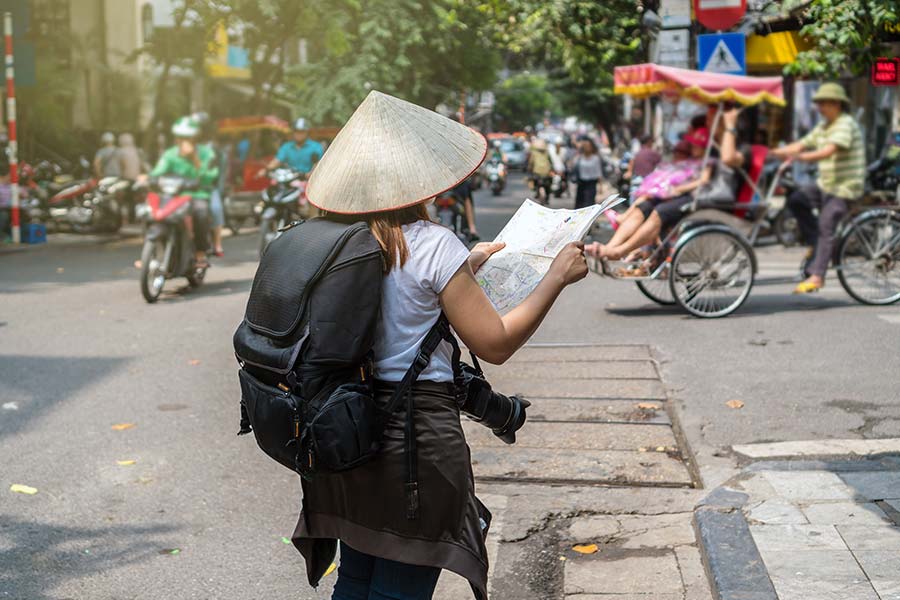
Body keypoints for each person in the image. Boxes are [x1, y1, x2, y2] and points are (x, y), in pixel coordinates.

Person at [293, 90, 588, 600]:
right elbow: (495, 344)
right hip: (413, 441)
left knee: (358, 577)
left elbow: (395, 296)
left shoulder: (334, 241)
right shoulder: (431, 244)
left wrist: (463, 267)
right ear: (419, 179)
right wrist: (556, 278)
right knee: (400, 587)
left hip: (344, 429)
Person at [588, 107, 751, 268]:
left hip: (710, 199)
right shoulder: (711, 145)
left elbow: (727, 159)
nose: (709, 123)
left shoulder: (739, 149)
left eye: (713, 119)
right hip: (692, 194)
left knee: (660, 212)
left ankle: (619, 251)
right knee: (644, 206)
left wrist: (730, 125)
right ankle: (611, 247)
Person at [771, 83, 864, 294]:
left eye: (823, 103)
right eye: (819, 103)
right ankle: (816, 242)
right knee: (796, 200)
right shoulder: (824, 126)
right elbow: (802, 144)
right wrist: (773, 153)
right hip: (826, 184)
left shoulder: (845, 124)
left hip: (845, 188)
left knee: (826, 224)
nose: (819, 107)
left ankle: (817, 276)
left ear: (836, 104)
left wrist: (799, 157)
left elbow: (828, 151)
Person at [149, 117, 218, 267]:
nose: (182, 141)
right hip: (173, 196)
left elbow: (209, 176)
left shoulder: (206, 153)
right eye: (180, 137)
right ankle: (150, 254)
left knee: (201, 213)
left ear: (195, 138)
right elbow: (158, 172)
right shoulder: (170, 154)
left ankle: (200, 252)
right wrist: (149, 178)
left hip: (197, 194)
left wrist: (194, 158)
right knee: (149, 213)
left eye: (187, 137)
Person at [117, 133, 147, 222]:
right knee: (134, 199)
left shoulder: (121, 151)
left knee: (125, 199)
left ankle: (123, 217)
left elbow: (122, 165)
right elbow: (142, 165)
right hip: (136, 178)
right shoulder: (137, 151)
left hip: (125, 178)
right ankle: (133, 218)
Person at [571, 137, 602, 209]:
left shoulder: (595, 158)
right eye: (585, 146)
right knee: (580, 204)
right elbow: (572, 166)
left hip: (591, 184)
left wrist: (600, 186)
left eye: (588, 146)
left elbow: (598, 172)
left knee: (589, 203)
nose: (587, 148)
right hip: (581, 183)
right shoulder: (579, 158)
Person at [528, 138, 553, 204]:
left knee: (535, 182)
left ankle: (537, 192)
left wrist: (529, 168)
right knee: (548, 184)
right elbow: (551, 162)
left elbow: (531, 163)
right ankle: (546, 197)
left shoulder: (534, 153)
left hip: (537, 172)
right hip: (546, 172)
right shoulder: (547, 153)